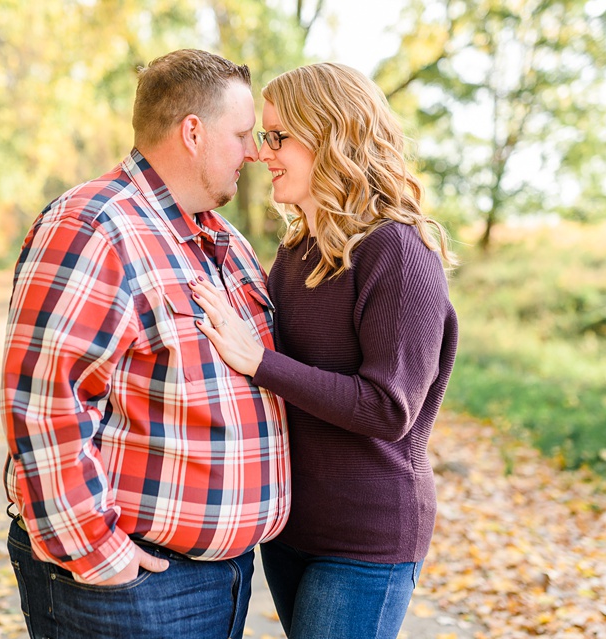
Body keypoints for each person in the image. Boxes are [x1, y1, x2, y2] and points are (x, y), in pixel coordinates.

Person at [0, 49, 290, 639]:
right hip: (133, 588)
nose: (256, 152)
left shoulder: (223, 240)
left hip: (223, 578)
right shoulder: (94, 226)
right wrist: (97, 553)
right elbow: (45, 401)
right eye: (241, 134)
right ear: (193, 133)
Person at [188, 62, 459, 639]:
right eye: (261, 138)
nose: (263, 154)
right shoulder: (297, 251)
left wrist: (260, 362)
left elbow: (389, 408)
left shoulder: (398, 253)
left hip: (366, 538)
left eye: (277, 136)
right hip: (291, 529)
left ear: (332, 135)